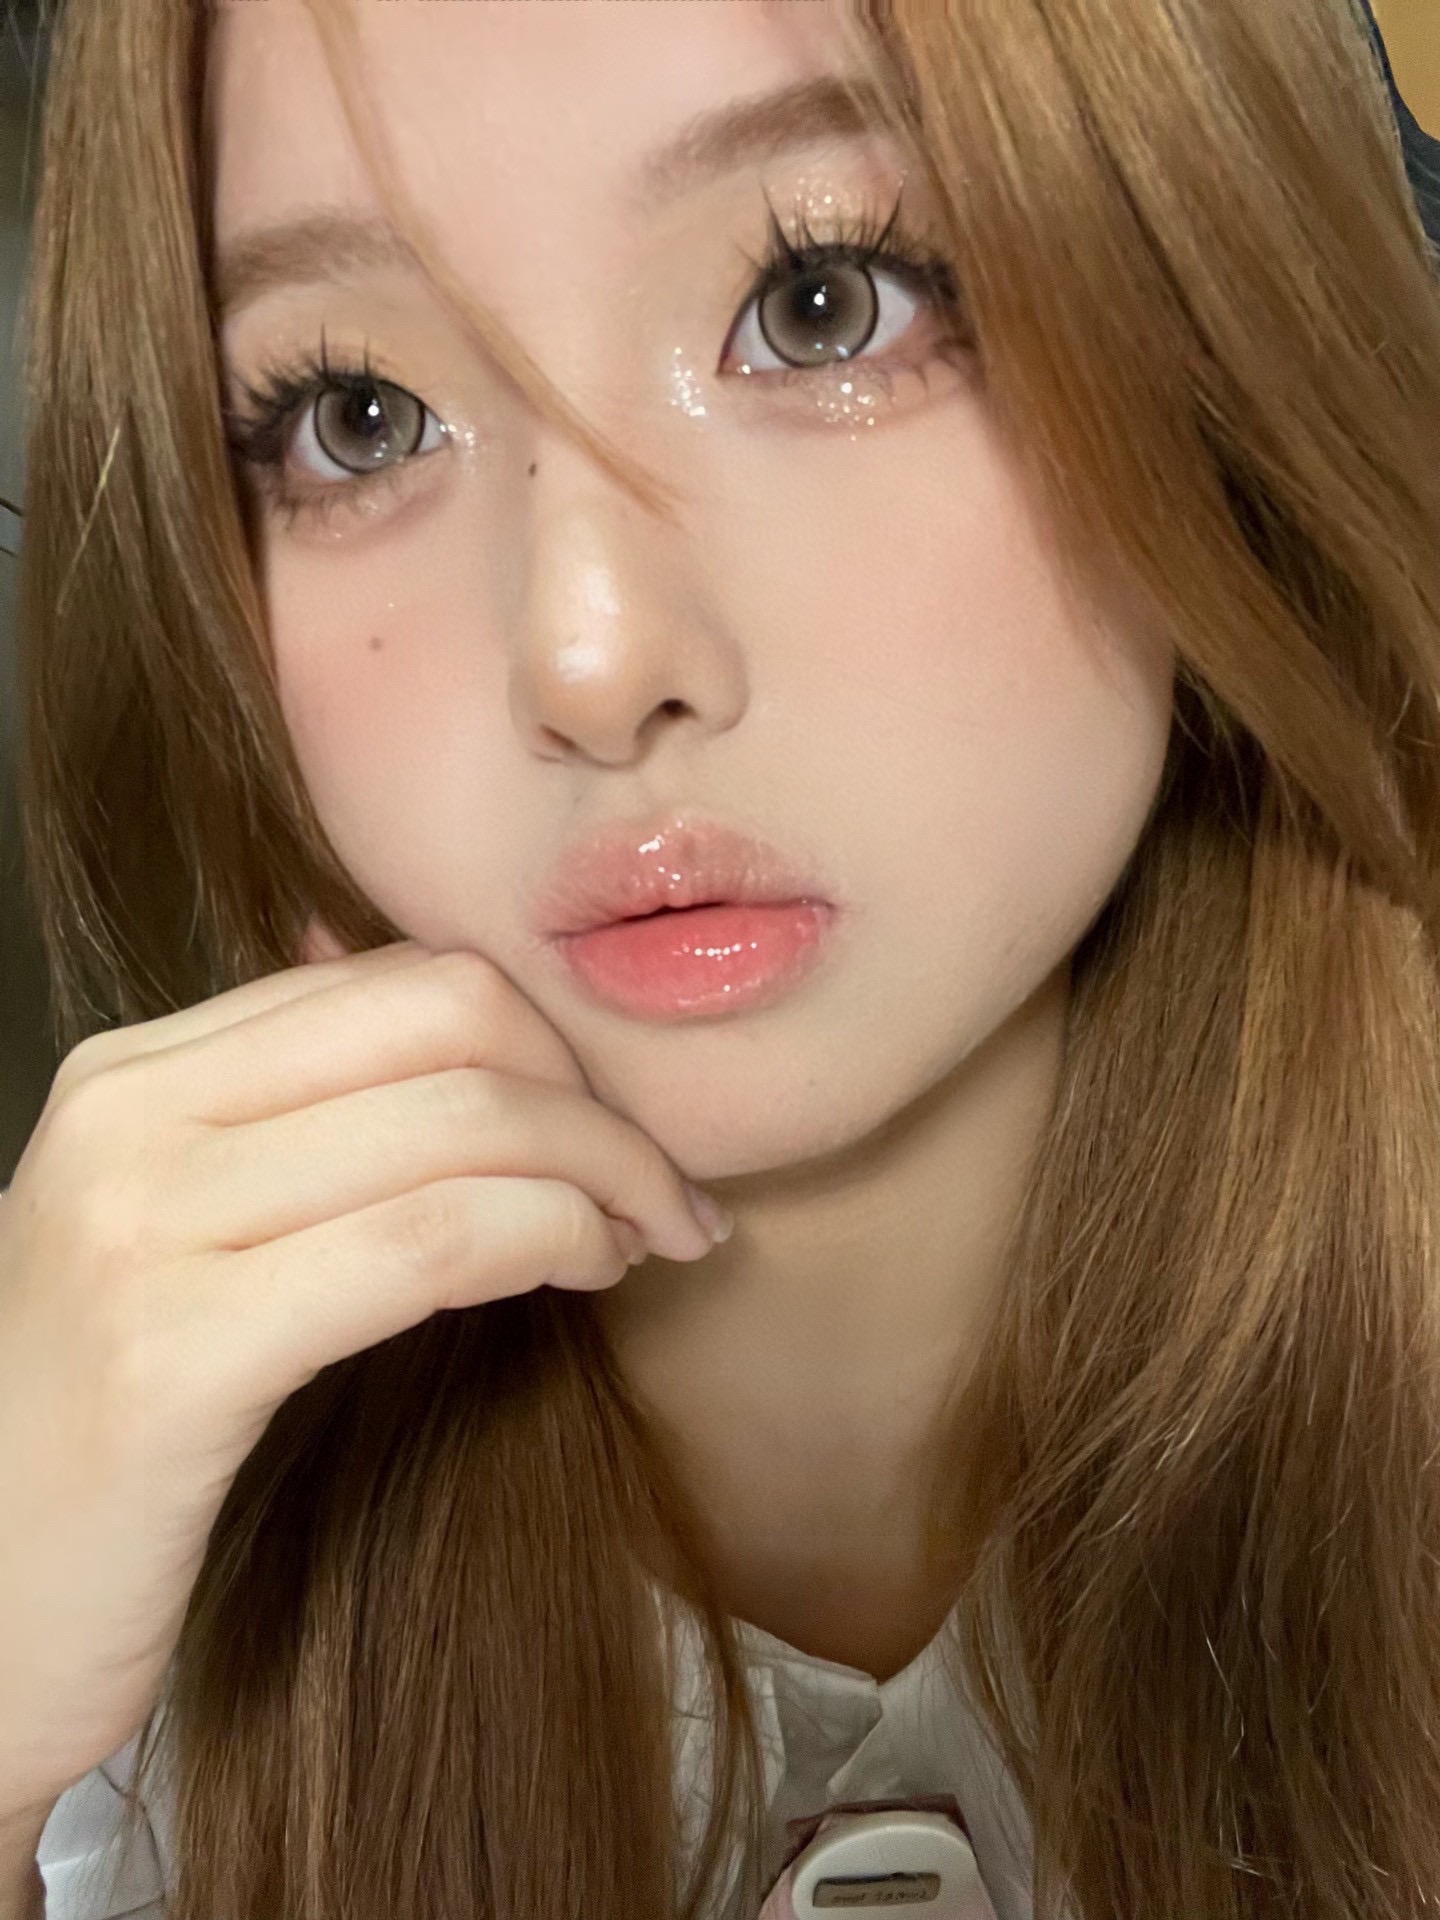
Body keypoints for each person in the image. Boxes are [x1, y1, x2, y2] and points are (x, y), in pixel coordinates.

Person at [1, 1, 1438, 1917]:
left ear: (1215, 332)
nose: (591, 655)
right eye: (359, 416)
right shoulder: (87, 1597)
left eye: (822, 304)